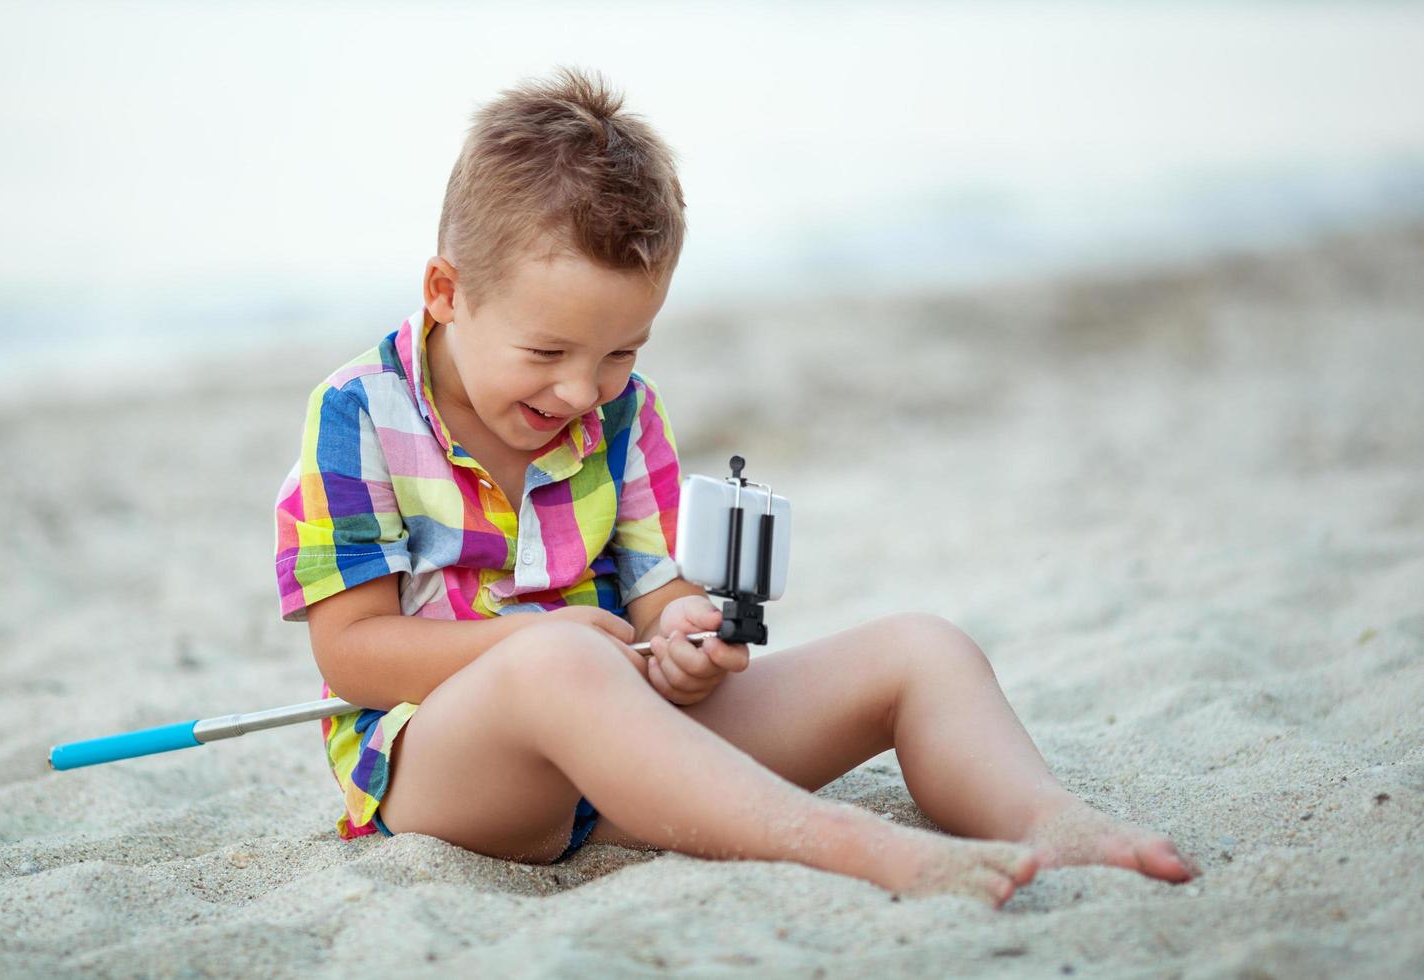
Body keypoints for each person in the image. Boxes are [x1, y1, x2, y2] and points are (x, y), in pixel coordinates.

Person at [273, 66, 1199, 909]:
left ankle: (1042, 816)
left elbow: (652, 588)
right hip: (457, 774)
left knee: (924, 649)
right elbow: (354, 652)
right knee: (558, 663)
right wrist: (541, 638)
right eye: (546, 352)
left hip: (636, 761)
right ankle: (845, 844)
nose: (579, 390)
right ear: (446, 291)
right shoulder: (359, 413)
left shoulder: (621, 410)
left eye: (620, 351)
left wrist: (682, 632)